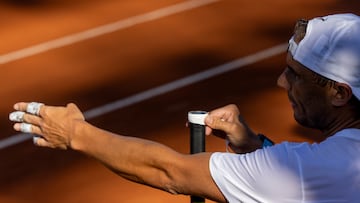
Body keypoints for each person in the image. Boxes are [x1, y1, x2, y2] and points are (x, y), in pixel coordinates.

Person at [9, 13, 360, 202]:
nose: (282, 83)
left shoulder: (319, 171)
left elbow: (171, 173)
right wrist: (252, 147)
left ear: (340, 94)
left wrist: (75, 133)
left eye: (296, 75)